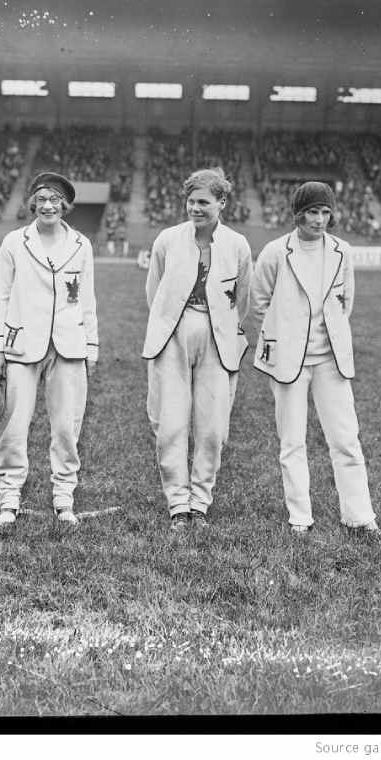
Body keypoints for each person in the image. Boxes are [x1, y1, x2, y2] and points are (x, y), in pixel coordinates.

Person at [246, 181, 379, 535]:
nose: (319, 220)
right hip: (288, 362)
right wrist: (284, 341)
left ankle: (360, 515)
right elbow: (258, 305)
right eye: (312, 212)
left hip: (330, 362)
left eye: (325, 212)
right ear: (298, 214)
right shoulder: (276, 252)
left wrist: (326, 339)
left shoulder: (342, 251)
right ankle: (300, 518)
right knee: (292, 442)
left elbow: (344, 303)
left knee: (346, 440)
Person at [0, 172, 98, 529]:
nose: (48, 205)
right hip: (20, 344)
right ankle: (9, 498)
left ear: (65, 206)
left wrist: (91, 348)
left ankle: (64, 499)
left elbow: (88, 300)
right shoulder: (15, 242)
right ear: (32, 203)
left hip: (69, 346)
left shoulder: (81, 244)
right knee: (12, 426)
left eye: (55, 200)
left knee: (67, 427)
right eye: (42, 199)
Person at [142, 168, 252, 531]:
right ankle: (177, 504)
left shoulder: (237, 245)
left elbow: (243, 300)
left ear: (221, 203)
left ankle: (200, 502)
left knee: (211, 427)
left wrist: (218, 323)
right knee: (171, 423)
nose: (195, 208)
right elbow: (154, 291)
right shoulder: (168, 240)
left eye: (203, 202)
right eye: (191, 202)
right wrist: (172, 321)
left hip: (218, 337)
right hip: (173, 333)